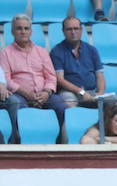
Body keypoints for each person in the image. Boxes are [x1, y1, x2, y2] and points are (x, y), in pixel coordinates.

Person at [0, 14, 67, 144]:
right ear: (13, 31)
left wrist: (47, 93)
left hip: (44, 93)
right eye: (19, 28)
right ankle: (20, 141)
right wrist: (26, 93)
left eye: (26, 28)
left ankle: (60, 142)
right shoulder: (5, 53)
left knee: (59, 103)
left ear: (31, 31)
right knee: (17, 104)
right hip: (20, 94)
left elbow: (51, 76)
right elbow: (6, 79)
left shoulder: (41, 51)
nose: (23, 32)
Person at [50, 17, 106, 108]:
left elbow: (100, 76)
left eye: (76, 28)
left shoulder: (92, 50)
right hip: (69, 92)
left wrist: (100, 93)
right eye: (69, 29)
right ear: (63, 31)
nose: (73, 32)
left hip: (92, 91)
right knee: (69, 103)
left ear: (81, 30)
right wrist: (81, 92)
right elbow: (60, 80)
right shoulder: (56, 51)